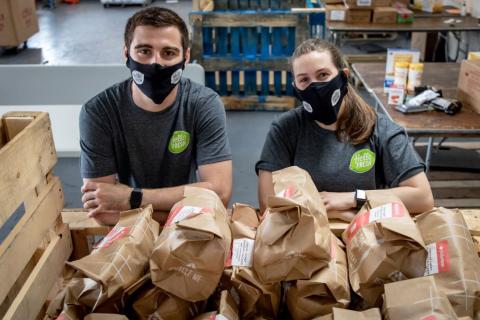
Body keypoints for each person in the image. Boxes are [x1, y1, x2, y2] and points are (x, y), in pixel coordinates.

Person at [80, 7, 232, 225]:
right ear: (126, 54)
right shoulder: (98, 112)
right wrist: (191, 207)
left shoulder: (203, 104)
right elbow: (102, 213)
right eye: (144, 51)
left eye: (168, 53)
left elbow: (220, 194)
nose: (155, 63)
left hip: (185, 234)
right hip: (155, 228)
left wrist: (131, 198)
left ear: (186, 57)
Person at [256, 39, 433, 221]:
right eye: (304, 80)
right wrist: (343, 215)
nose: (314, 86)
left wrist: (353, 198)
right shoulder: (285, 128)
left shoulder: (379, 128)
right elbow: (267, 204)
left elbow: (423, 197)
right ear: (295, 87)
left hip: (366, 236)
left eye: (323, 75)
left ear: (343, 76)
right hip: (303, 237)